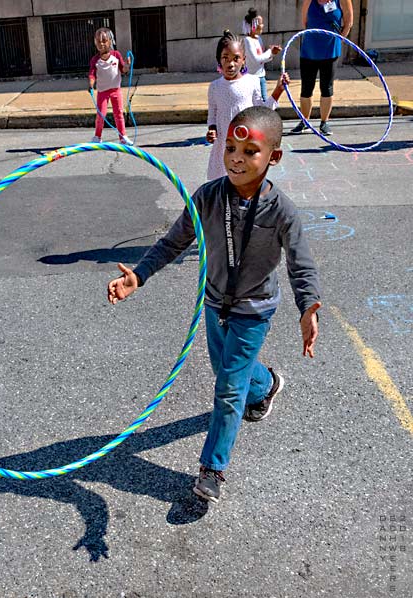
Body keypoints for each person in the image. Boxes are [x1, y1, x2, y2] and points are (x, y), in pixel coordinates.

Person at [107, 106, 322, 503]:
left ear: (273, 157)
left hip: (254, 309)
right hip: (214, 302)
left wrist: (308, 307)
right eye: (230, 147)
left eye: (249, 151)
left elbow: (301, 262)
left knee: (227, 387)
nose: (236, 158)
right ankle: (267, 384)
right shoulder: (208, 197)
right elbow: (173, 241)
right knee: (229, 371)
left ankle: (213, 469)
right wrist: (139, 275)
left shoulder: (282, 213)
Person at [206, 30, 289, 181]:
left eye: (236, 58)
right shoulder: (215, 87)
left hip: (246, 144)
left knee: (244, 179)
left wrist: (278, 90)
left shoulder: (252, 82)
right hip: (224, 145)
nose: (231, 64)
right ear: (219, 60)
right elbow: (212, 113)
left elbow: (262, 111)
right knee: (221, 181)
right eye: (225, 58)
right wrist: (212, 130)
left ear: (244, 60)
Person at [291, 0, 354, 136]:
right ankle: (305, 122)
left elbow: (348, 23)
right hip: (309, 49)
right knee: (306, 88)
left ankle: (324, 122)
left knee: (326, 87)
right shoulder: (309, 1)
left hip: (330, 50)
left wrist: (338, 39)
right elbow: (305, 22)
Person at [88, 27, 132, 145]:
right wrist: (91, 83)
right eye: (98, 41)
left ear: (110, 41)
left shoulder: (116, 55)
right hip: (103, 92)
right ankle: (97, 136)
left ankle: (123, 136)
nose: (101, 44)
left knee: (119, 114)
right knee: (101, 115)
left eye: (104, 41)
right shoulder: (95, 60)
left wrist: (127, 65)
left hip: (115, 90)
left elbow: (123, 69)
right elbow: (92, 73)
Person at [242, 8, 282, 100]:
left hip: (261, 77)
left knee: (263, 103)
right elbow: (256, 59)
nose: (262, 25)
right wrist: (269, 52)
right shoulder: (247, 41)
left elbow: (263, 59)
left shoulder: (258, 39)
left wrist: (272, 54)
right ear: (253, 25)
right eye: (260, 23)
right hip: (251, 79)